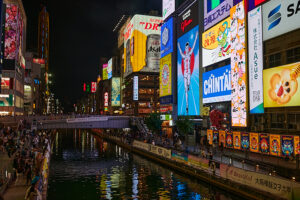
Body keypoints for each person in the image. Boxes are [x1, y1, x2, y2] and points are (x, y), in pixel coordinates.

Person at [177, 31, 199, 114]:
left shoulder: (189, 54)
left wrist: (196, 36)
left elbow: (193, 46)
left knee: (188, 83)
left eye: (187, 47)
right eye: (186, 48)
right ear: (185, 49)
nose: (187, 49)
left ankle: (188, 85)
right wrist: (178, 46)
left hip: (189, 72)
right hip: (185, 73)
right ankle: (186, 105)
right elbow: (179, 50)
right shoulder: (183, 55)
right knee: (186, 90)